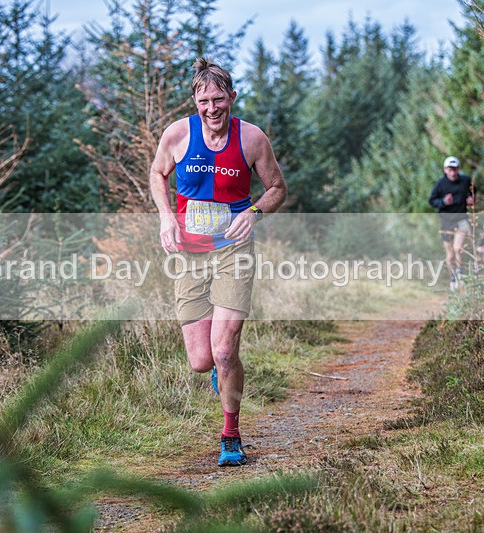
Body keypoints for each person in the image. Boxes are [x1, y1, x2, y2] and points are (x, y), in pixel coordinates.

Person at [149, 58, 287, 467]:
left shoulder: (252, 139)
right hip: (189, 253)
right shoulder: (177, 135)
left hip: (233, 251)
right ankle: (219, 369)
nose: (212, 108)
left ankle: (231, 434)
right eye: (204, 100)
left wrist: (255, 212)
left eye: (219, 99)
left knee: (225, 352)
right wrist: (163, 217)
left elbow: (278, 188)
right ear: (195, 100)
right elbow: (158, 173)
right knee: (202, 360)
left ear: (232, 97)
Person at [428, 156, 474, 288]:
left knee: (458, 248)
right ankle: (453, 278)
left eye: (455, 169)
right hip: (446, 222)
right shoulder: (440, 184)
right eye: (450, 169)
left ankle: (460, 274)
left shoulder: (465, 180)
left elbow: (473, 193)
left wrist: (471, 199)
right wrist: (442, 202)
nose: (453, 173)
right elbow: (431, 201)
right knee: (450, 254)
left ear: (458, 169)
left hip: (462, 219)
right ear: (445, 170)